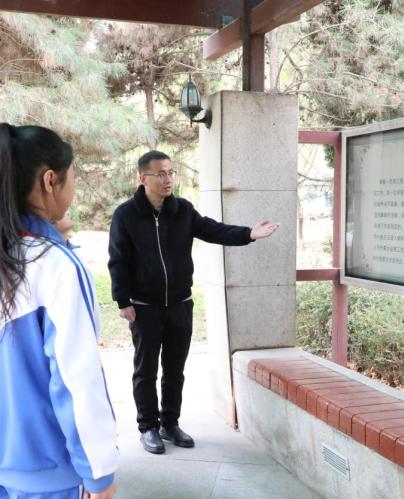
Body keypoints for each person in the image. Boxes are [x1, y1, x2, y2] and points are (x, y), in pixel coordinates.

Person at [0, 124, 118, 499]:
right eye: (74, 177)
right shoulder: (56, 264)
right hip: (49, 474)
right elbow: (77, 379)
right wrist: (99, 471)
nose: (74, 188)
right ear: (50, 180)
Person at [108, 150, 279, 454]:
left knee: (175, 370)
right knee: (145, 371)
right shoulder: (126, 215)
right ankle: (148, 427)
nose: (168, 179)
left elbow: (213, 230)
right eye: (160, 173)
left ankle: (170, 423)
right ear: (142, 178)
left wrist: (249, 234)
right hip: (144, 307)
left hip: (179, 304)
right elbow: (118, 259)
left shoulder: (183, 210)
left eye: (171, 172)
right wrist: (123, 300)